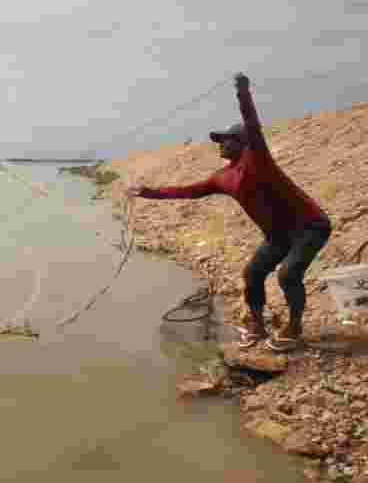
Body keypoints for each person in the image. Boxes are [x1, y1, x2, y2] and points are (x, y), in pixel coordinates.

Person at [127, 74, 331, 351]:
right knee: (252, 274)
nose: (221, 143)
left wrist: (242, 92)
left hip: (310, 226)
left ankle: (294, 328)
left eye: (227, 139)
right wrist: (146, 192)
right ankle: (257, 325)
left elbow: (252, 123)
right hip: (278, 235)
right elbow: (187, 191)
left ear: (243, 142)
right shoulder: (222, 177)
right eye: (220, 140)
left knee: (287, 275)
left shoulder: (258, 159)